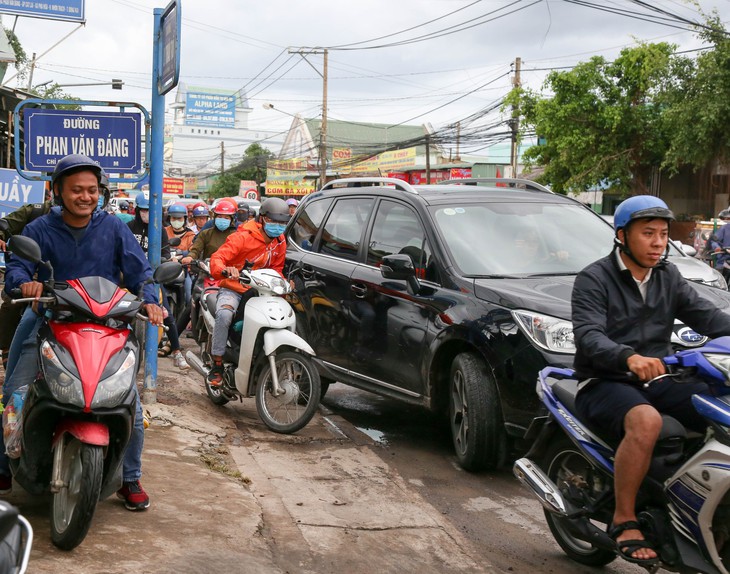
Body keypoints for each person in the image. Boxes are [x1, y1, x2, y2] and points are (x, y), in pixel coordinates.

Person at [571, 195, 730, 566]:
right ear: (622, 236)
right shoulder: (594, 279)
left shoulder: (667, 277)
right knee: (647, 421)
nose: (659, 243)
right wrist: (628, 356)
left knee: (716, 404)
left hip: (659, 379)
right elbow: (590, 336)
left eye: (663, 234)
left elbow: (708, 317)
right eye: (648, 234)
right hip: (604, 380)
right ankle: (624, 518)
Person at [2, 153, 166, 510]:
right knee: (14, 387)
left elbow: (141, 273)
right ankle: (4, 461)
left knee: (130, 405)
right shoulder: (39, 229)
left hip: (106, 325)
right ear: (58, 191)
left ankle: (130, 477)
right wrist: (23, 285)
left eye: (92, 190)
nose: (85, 197)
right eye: (76, 190)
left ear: (101, 192)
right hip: (48, 317)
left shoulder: (114, 228)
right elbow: (18, 267)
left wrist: (150, 300)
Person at [206, 197, 290, 386]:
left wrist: (283, 284)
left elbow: (277, 268)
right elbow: (217, 258)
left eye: (282, 223)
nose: (278, 226)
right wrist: (227, 270)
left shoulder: (280, 241)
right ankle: (217, 364)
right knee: (225, 315)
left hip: (262, 291)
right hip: (234, 288)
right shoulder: (242, 237)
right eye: (273, 222)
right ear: (262, 219)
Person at [127, 194, 190, 371]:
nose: (147, 213)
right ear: (138, 210)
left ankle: (176, 351)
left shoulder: (160, 230)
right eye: (144, 210)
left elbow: (166, 253)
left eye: (151, 210)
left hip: (151, 278)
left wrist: (160, 259)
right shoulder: (128, 228)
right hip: (128, 277)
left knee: (165, 313)